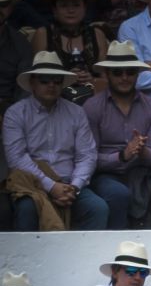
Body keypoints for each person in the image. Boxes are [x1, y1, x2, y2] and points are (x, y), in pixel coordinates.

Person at [3, 51, 108, 231]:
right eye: (45, 80)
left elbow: (87, 155)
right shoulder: (15, 113)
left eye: (57, 80)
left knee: (97, 208)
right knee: (27, 208)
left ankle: (88, 260)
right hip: (32, 185)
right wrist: (51, 186)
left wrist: (74, 187)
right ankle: (28, 259)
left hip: (70, 184)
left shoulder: (76, 112)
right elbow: (17, 158)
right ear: (32, 83)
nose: (51, 85)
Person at [83, 40, 151, 228]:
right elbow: (88, 159)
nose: (125, 77)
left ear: (137, 74)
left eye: (130, 72)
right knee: (118, 194)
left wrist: (143, 152)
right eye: (118, 72)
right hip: (106, 175)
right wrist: (121, 156)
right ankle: (115, 254)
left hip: (145, 174)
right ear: (107, 74)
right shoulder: (92, 107)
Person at [31, 0, 109, 100]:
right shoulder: (43, 34)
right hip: (54, 100)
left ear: (85, 8)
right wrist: (66, 79)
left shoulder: (97, 34)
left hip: (93, 99)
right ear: (54, 10)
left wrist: (92, 79)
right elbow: (37, 78)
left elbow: (106, 78)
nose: (71, 10)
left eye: (76, 5)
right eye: (64, 5)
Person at [0, 0, 33, 117]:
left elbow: (24, 90)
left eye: (3, 4)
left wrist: (11, 118)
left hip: (7, 113)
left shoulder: (20, 43)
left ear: (11, 8)